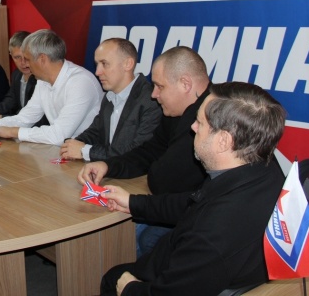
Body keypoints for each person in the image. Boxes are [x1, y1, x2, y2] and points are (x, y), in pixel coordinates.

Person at [98, 82, 286, 296]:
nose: (193, 127)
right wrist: (134, 203)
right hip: (193, 265)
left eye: (200, 123)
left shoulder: (212, 234)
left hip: (166, 278)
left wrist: (130, 289)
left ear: (223, 141)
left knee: (113, 278)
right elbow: (194, 203)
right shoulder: (264, 169)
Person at [78, 46, 210, 256]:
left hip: (200, 217)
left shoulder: (209, 123)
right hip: (181, 205)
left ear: (185, 84)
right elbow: (150, 151)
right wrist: (108, 165)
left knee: (132, 239)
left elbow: (163, 182)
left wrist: (136, 198)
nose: (154, 94)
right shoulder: (176, 112)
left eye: (159, 86)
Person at [0, 29, 103, 146]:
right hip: (64, 152)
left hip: (89, 157)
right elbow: (25, 118)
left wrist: (13, 132)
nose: (26, 64)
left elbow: (58, 135)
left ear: (42, 59)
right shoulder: (43, 81)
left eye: (28, 59)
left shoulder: (80, 82)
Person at [59, 38, 161, 161]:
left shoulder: (151, 100)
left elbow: (136, 153)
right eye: (97, 64)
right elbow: (95, 131)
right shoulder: (109, 96)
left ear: (128, 64)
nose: (97, 72)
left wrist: (84, 150)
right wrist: (72, 145)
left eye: (104, 64)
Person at [0, 31, 48, 126]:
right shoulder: (16, 75)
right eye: (17, 57)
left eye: (26, 57)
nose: (23, 62)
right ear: (11, 55)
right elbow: (8, 103)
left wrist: (1, 118)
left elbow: (34, 118)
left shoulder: (42, 79)